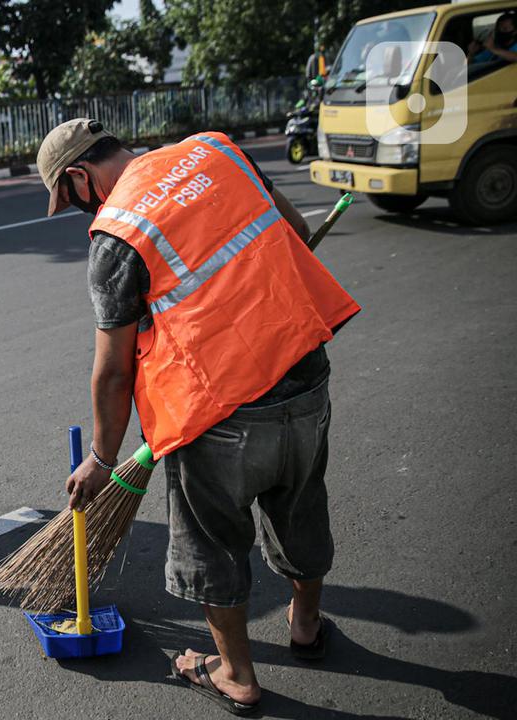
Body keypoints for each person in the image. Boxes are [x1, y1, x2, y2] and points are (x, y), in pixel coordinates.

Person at [37, 119, 360, 715]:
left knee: (212, 543)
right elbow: (295, 232)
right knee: (302, 507)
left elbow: (113, 369)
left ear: (80, 177)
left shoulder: (118, 231)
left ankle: (235, 673)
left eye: (71, 198)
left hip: (218, 412)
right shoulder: (216, 151)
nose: (80, 210)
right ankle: (307, 626)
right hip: (305, 378)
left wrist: (103, 459)